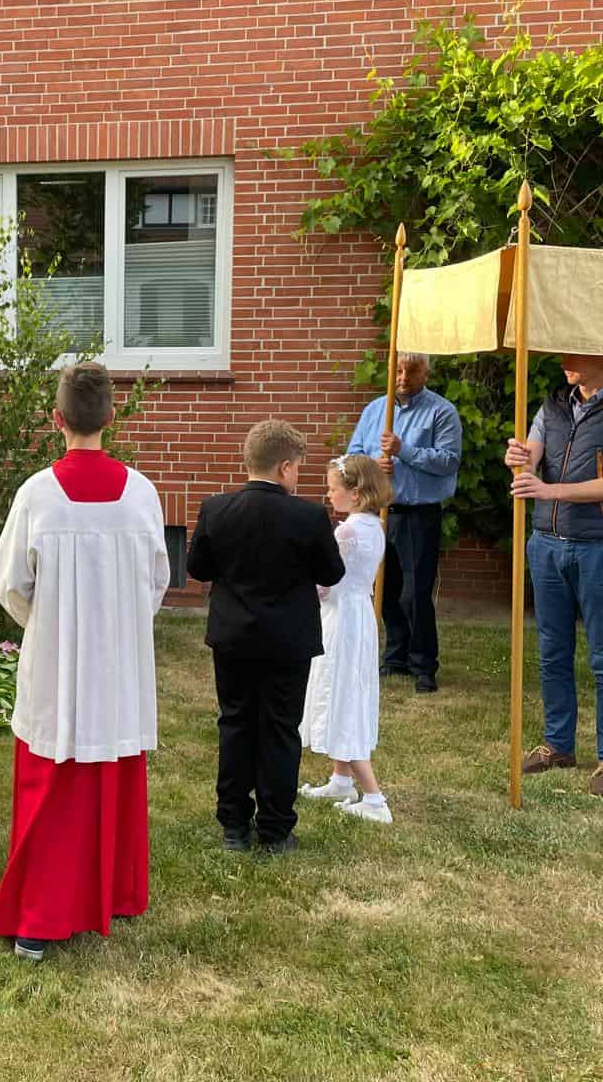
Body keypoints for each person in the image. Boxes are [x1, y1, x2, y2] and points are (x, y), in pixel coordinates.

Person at [0, 363, 169, 964]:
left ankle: (41, 917)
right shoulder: (142, 494)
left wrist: (49, 623)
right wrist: (117, 624)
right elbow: (156, 581)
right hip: (117, 663)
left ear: (56, 420)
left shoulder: (37, 494)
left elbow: (10, 583)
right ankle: (112, 893)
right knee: (108, 769)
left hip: (57, 661)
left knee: (52, 783)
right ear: (112, 417)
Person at [187, 418, 346, 855]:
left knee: (235, 724)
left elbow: (198, 568)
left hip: (233, 635)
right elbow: (332, 571)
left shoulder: (216, 509)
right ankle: (275, 827)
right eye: (298, 468)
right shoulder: (308, 516)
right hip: (288, 640)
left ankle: (234, 824)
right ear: (285, 467)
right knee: (280, 728)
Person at [505, 354, 603, 799]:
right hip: (546, 545)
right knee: (552, 653)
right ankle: (558, 745)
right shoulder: (552, 406)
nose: (564, 361)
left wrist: (547, 490)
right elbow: (529, 461)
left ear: (602, 356)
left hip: (602, 549)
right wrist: (517, 458)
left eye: (574, 352)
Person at [346, 353, 462, 694]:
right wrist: (371, 464)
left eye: (412, 371)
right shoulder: (375, 410)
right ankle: (395, 656)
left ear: (426, 372)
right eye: (398, 370)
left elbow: (449, 461)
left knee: (415, 594)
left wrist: (403, 450)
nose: (403, 377)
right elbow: (352, 456)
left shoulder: (441, 412)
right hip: (379, 513)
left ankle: (423, 663)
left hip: (418, 514)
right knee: (386, 589)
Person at [298, 454, 395, 823]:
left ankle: (373, 797)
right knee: (347, 687)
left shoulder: (347, 533)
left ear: (355, 493)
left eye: (333, 488)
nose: (328, 494)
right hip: (358, 613)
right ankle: (341, 779)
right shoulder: (373, 526)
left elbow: (327, 584)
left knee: (341, 694)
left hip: (341, 618)